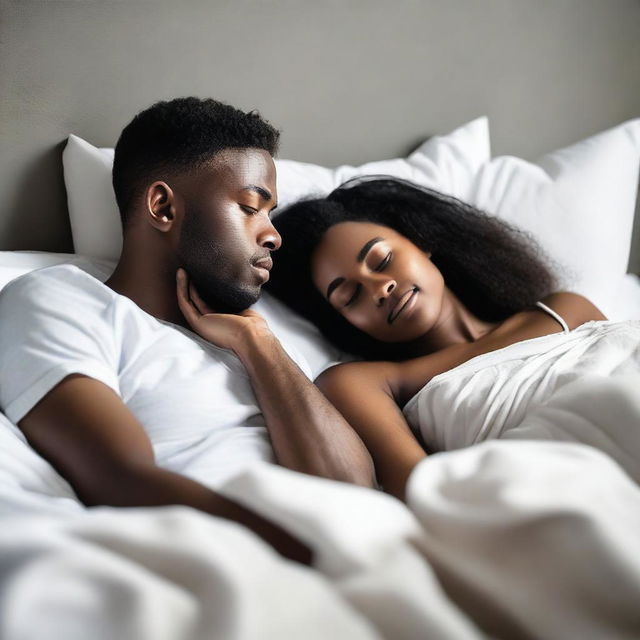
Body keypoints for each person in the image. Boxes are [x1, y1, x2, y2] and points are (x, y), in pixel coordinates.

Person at [0, 97, 375, 564]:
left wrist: (259, 344)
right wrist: (319, 559)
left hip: (354, 551)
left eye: (271, 215)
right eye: (250, 207)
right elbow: (118, 479)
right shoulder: (62, 299)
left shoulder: (252, 338)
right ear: (162, 207)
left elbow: (356, 492)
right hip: (261, 563)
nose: (273, 235)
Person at [264, 176, 634, 500]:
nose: (380, 287)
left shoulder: (564, 309)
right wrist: (254, 340)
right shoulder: (366, 382)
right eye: (350, 296)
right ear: (345, 321)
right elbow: (419, 490)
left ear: (420, 243)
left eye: (381, 261)